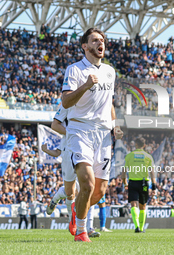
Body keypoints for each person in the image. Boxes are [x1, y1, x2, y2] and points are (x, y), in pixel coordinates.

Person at [62, 27, 123, 242]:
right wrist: (86, 86)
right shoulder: (75, 70)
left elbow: (109, 103)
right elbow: (66, 101)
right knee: (86, 184)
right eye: (96, 40)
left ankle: (77, 213)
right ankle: (81, 231)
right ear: (85, 46)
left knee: (99, 192)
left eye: (103, 40)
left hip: (104, 135)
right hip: (81, 130)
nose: (101, 43)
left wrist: (115, 125)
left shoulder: (109, 71)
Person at [122, 137, 157, 233]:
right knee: (143, 206)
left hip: (132, 182)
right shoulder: (148, 156)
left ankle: (137, 226)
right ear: (144, 145)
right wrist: (154, 186)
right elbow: (152, 173)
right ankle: (141, 228)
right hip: (143, 183)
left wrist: (125, 182)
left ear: (135, 145)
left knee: (133, 204)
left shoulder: (129, 156)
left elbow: (124, 171)